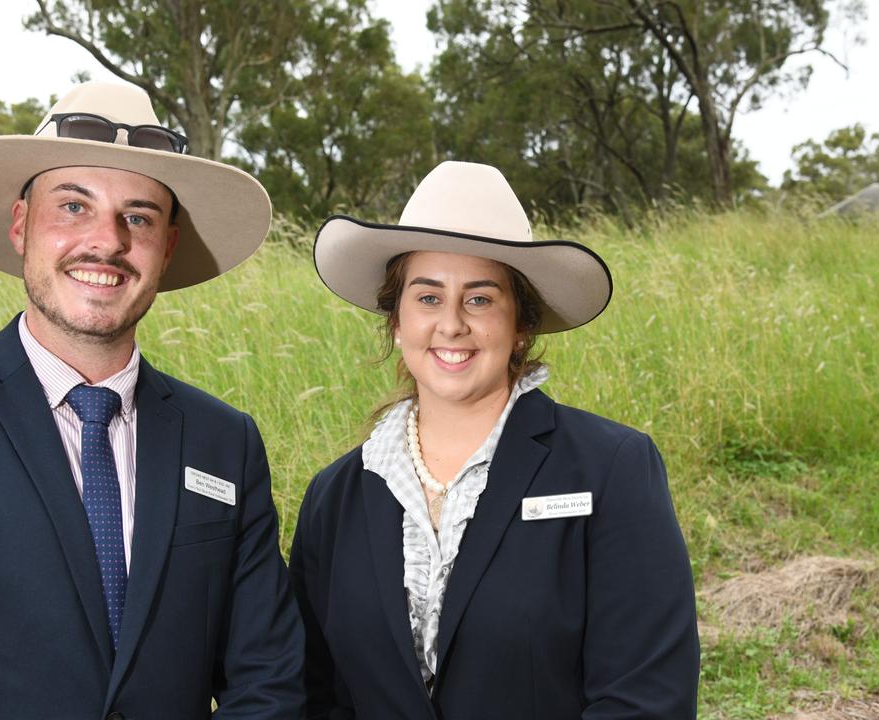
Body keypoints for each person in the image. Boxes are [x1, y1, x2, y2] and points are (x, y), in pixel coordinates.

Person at [0, 82, 303, 719]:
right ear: (21, 226)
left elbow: (268, 683)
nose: (106, 242)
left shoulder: (225, 440)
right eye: (73, 207)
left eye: (139, 217)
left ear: (168, 248)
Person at [291, 161, 699, 718]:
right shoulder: (333, 498)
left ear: (521, 324)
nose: (452, 323)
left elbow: (648, 696)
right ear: (396, 320)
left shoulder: (611, 470)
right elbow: (312, 693)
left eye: (480, 299)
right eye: (428, 297)